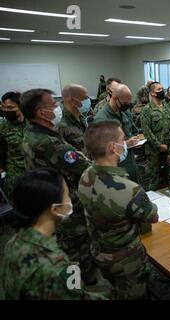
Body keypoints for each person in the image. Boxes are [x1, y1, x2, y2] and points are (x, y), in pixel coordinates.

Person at [20, 88, 96, 285]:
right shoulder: (50, 143)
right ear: (41, 113)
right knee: (77, 248)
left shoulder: (31, 132)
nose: (58, 107)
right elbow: (85, 167)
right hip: (65, 206)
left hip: (48, 202)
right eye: (53, 105)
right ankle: (85, 283)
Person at [79, 120, 159, 299]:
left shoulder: (86, 175)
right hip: (127, 261)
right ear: (112, 147)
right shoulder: (128, 189)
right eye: (123, 139)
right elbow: (153, 216)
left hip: (99, 252)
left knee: (114, 289)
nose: (126, 142)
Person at [0, 168, 106, 299]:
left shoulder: (15, 241)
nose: (70, 199)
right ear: (55, 209)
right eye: (67, 195)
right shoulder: (57, 267)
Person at [93, 84, 140, 182]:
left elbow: (133, 131)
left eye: (129, 103)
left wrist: (136, 140)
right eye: (125, 103)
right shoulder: (102, 119)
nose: (127, 105)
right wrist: (126, 144)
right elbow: (102, 150)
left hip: (130, 163)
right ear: (114, 98)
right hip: (116, 169)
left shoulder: (125, 113)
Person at [140, 82, 170, 190]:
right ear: (152, 94)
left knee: (169, 177)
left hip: (168, 148)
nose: (162, 91)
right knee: (154, 179)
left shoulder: (167, 107)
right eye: (159, 89)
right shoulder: (147, 110)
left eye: (162, 88)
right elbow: (147, 131)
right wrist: (159, 145)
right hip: (154, 151)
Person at [0, 91, 27, 196]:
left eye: (11, 107)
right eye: (4, 107)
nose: (6, 110)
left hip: (36, 172)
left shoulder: (33, 124)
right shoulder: (2, 128)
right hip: (15, 176)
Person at [58, 84, 90, 152]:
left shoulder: (81, 117)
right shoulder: (61, 125)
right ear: (72, 100)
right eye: (85, 98)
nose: (88, 100)